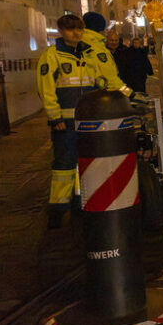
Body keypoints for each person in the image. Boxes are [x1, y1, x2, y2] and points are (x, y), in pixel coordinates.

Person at [36, 15, 94, 228]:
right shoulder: (52, 56)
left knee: (84, 164)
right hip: (65, 123)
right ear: (61, 30)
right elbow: (46, 89)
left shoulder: (89, 54)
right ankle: (57, 210)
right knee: (63, 166)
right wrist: (55, 117)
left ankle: (80, 203)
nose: (76, 33)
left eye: (79, 29)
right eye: (70, 29)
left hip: (89, 121)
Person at [81, 12, 133, 97]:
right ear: (101, 28)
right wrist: (130, 94)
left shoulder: (82, 43)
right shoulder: (97, 48)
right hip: (99, 97)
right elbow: (111, 80)